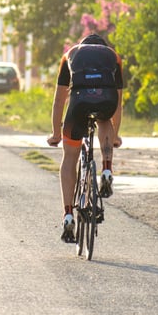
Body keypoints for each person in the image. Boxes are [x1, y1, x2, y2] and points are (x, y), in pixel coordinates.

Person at [47, 34, 123, 243]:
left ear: (83, 45)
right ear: (103, 47)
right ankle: (107, 168)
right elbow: (118, 102)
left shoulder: (70, 54)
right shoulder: (113, 56)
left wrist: (55, 133)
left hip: (79, 104)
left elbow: (59, 100)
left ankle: (68, 214)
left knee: (70, 157)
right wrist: (115, 136)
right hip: (106, 100)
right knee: (105, 118)